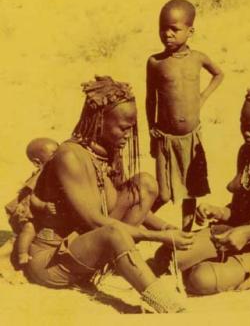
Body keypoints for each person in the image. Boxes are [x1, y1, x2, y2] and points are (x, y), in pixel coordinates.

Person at [25, 76, 193, 313]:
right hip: (52, 260)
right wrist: (157, 238)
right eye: (123, 128)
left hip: (87, 246)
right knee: (113, 232)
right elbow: (97, 221)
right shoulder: (70, 156)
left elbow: (118, 205)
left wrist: (167, 229)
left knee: (144, 184)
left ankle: (117, 262)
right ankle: (167, 306)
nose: (128, 135)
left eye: (131, 128)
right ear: (100, 121)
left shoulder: (108, 151)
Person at [155, 85, 250, 294]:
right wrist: (218, 211)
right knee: (166, 257)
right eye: (243, 125)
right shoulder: (246, 152)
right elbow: (239, 211)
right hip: (233, 234)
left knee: (200, 279)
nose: (246, 133)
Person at [146, 0, 224, 230]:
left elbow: (219, 74)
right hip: (166, 138)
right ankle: (140, 222)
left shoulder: (198, 58)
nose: (167, 34)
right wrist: (152, 130)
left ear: (190, 31)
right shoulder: (155, 62)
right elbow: (151, 98)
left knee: (191, 191)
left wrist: (202, 98)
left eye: (174, 29)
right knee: (163, 190)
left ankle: (186, 233)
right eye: (163, 28)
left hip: (191, 137)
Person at [4, 138, 59, 267]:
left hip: (41, 212)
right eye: (53, 154)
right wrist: (43, 205)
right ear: (37, 162)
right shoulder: (40, 175)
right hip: (28, 210)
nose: (59, 157)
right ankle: (22, 254)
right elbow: (32, 197)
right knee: (29, 229)